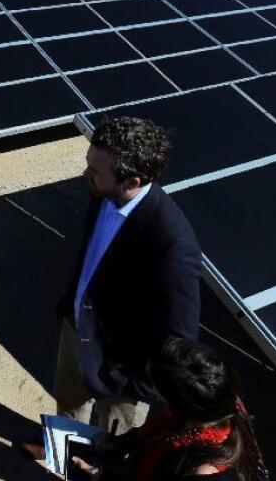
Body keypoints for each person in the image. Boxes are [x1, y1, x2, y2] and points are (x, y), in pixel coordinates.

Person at [23, 116, 201, 463]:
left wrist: (139, 387)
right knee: (68, 400)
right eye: (88, 164)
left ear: (132, 181)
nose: (85, 175)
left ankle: (94, 468)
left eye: (95, 171)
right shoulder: (103, 192)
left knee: (115, 440)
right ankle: (60, 454)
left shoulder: (171, 241)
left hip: (121, 367)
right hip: (77, 330)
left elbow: (180, 335)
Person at [68, 338, 267, 480]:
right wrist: (121, 443)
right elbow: (160, 434)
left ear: (179, 404)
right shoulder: (221, 402)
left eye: (159, 390)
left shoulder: (203, 472)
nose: (155, 394)